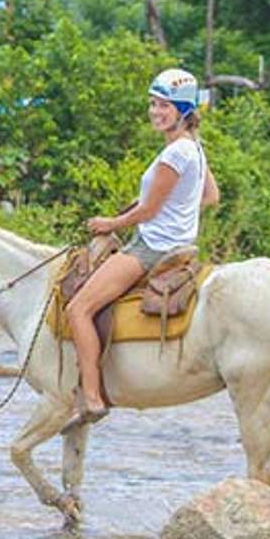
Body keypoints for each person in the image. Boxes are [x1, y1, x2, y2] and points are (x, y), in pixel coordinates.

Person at [61, 68, 220, 431]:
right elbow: (210, 197)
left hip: (152, 247)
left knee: (78, 308)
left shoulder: (175, 154)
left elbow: (148, 212)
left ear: (182, 110)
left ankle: (92, 397)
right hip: (178, 243)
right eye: (152, 104)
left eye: (163, 106)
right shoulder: (193, 147)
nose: (154, 112)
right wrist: (173, 206)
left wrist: (109, 224)